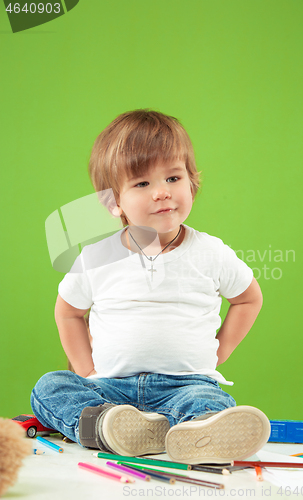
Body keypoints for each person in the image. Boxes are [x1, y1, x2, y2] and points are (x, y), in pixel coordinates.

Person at [31, 109, 270, 464]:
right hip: (110, 389)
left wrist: (220, 352)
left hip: (185, 384)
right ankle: (108, 426)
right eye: (142, 184)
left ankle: (196, 427)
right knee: (49, 387)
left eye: (173, 178)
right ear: (113, 203)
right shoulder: (97, 256)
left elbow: (249, 299)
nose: (161, 193)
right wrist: (86, 370)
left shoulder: (211, 252)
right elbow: (68, 311)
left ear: (192, 181)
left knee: (210, 402)